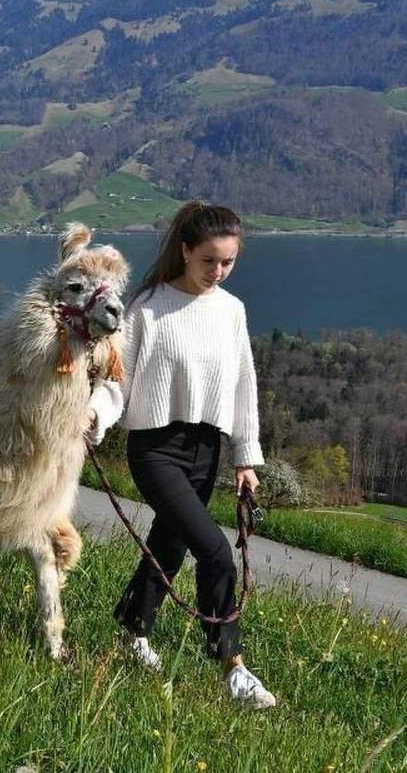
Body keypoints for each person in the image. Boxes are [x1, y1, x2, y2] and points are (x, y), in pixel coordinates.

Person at [111, 201, 277, 709]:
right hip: (155, 448)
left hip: (207, 448)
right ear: (185, 251)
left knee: (171, 545)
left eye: (228, 262)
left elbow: (244, 387)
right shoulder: (146, 308)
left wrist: (245, 459)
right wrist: (92, 420)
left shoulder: (231, 311)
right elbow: (116, 380)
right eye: (209, 261)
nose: (219, 272)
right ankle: (233, 667)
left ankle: (133, 629)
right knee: (215, 551)